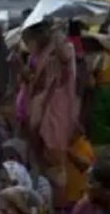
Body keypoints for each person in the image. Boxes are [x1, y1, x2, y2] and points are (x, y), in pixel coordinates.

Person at [15, 22, 77, 188]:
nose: (28, 46)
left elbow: (64, 63)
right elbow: (33, 81)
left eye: (29, 41)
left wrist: (58, 39)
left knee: (55, 154)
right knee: (40, 154)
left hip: (55, 107)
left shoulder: (60, 48)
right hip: (39, 107)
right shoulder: (38, 55)